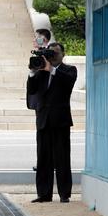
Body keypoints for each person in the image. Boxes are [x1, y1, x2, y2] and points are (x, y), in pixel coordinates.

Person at [27, 42, 77, 203]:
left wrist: (52, 69)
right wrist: (33, 72)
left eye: (56, 53)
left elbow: (67, 84)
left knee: (62, 158)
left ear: (63, 54)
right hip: (43, 119)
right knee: (43, 159)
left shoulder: (69, 70)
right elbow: (32, 90)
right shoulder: (42, 71)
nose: (53, 56)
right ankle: (44, 194)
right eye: (51, 53)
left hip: (60, 120)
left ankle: (64, 194)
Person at [30, 28, 51, 172]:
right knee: (41, 134)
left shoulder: (51, 55)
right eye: (36, 38)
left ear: (46, 40)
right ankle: (41, 161)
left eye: (39, 39)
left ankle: (50, 161)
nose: (36, 41)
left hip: (50, 102)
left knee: (50, 135)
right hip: (40, 102)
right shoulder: (36, 56)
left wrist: (45, 54)